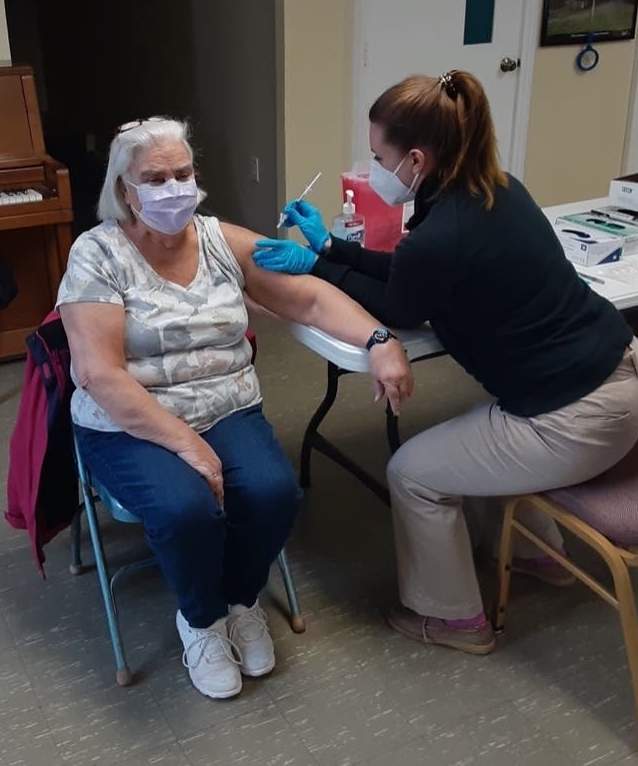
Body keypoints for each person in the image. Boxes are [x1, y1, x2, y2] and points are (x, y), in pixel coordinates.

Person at [253, 71, 638, 655]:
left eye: (379, 158)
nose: (374, 170)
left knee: (412, 473)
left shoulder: (442, 232)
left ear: (416, 160)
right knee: (482, 429)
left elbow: (400, 303)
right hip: (628, 369)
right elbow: (415, 272)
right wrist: (330, 248)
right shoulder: (498, 189)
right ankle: (535, 553)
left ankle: (452, 619)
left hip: (582, 416)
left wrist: (314, 267)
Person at [58, 117, 413, 698]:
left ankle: (240, 600)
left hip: (226, 406)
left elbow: (309, 300)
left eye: (182, 173)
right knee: (186, 510)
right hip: (132, 421)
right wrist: (189, 446)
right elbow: (99, 375)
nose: (174, 188)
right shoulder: (97, 254)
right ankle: (200, 621)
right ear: (125, 189)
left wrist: (379, 340)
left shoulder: (219, 240)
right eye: (155, 179)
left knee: (274, 494)